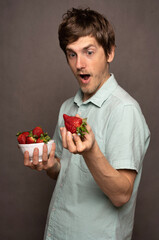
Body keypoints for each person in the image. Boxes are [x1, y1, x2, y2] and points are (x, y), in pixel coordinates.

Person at [24, 8, 150, 240]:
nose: (79, 64)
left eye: (89, 52)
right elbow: (64, 170)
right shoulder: (68, 108)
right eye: (72, 54)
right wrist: (50, 164)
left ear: (110, 52)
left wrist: (91, 152)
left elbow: (122, 194)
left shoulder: (124, 110)